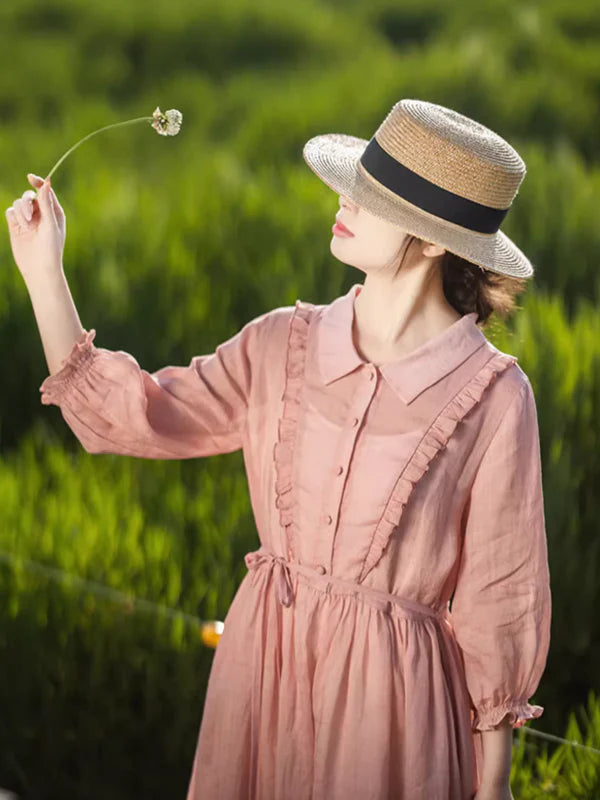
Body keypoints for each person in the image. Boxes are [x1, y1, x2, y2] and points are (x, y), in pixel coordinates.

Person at [5, 98, 551, 800]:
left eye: (369, 195)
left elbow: (500, 601)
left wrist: (494, 786)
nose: (341, 200)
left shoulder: (494, 397)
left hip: (393, 721)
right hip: (261, 678)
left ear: (435, 239)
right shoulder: (279, 346)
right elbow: (128, 418)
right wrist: (44, 271)